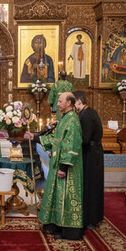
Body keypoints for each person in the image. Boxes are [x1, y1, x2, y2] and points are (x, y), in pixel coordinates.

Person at [24, 92, 84, 240]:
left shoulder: (72, 121)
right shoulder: (64, 118)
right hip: (58, 163)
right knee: (57, 195)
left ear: (69, 103)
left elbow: (71, 145)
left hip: (67, 168)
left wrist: (63, 167)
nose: (57, 104)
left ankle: (68, 230)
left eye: (60, 101)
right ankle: (54, 224)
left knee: (66, 196)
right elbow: (56, 138)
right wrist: (35, 137)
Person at [74, 90, 103, 229]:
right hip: (92, 152)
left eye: (73, 102)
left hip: (91, 153)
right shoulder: (87, 112)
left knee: (91, 184)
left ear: (79, 101)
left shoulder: (87, 115)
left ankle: (91, 219)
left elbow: (85, 139)